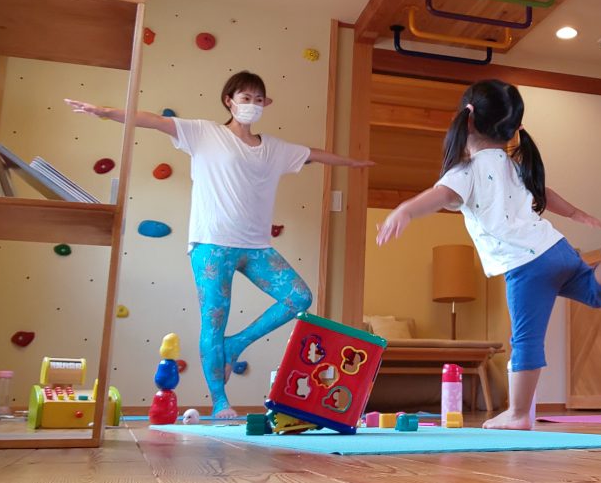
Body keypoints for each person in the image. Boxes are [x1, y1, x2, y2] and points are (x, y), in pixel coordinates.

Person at [65, 71, 372, 419]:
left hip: (256, 247)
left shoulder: (274, 148)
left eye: (259, 100)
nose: (252, 105)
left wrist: (353, 163)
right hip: (211, 244)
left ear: (266, 104)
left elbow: (314, 154)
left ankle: (236, 344)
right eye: (246, 98)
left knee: (299, 297)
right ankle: (220, 402)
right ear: (229, 100)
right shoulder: (204, 133)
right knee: (214, 320)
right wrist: (106, 112)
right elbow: (153, 121)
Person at [375, 79, 601, 430]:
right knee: (595, 294)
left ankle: (519, 413)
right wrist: (574, 213)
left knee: (525, 339)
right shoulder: (514, 164)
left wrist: (405, 210)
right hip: (556, 248)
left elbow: (440, 196)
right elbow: (544, 192)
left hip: (525, 266)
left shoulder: (465, 171)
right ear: (514, 128)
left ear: (468, 118)